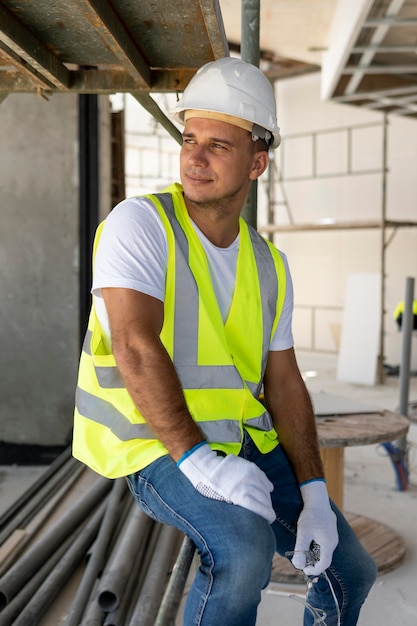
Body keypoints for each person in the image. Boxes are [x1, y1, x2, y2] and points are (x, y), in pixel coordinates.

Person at [73, 57, 377, 625]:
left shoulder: (269, 265)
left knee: (351, 571)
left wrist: (313, 492)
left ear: (257, 162)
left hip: (241, 440)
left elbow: (284, 381)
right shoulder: (139, 225)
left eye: (218, 145)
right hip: (155, 442)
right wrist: (197, 460)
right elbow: (136, 345)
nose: (194, 156)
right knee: (242, 553)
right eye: (189, 138)